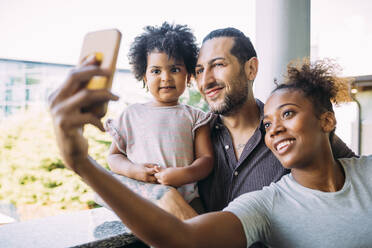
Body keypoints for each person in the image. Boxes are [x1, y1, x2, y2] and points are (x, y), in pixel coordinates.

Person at [49, 57, 372, 247]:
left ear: (327, 120)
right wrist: (83, 164)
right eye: (267, 123)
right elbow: (180, 239)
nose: (273, 129)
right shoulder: (267, 204)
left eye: (287, 114)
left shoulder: (366, 172)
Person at [194, 28, 355, 212]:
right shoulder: (192, 134)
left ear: (251, 69)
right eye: (199, 70)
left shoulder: (291, 129)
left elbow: (355, 173)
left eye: (218, 65)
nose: (205, 81)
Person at [104, 23, 213, 212]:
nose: (166, 77)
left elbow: (206, 159)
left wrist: (183, 174)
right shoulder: (132, 114)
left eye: (175, 70)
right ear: (145, 77)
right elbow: (114, 156)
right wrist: (133, 170)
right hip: (141, 204)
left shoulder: (195, 116)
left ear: (188, 76)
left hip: (187, 202)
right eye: (156, 71)